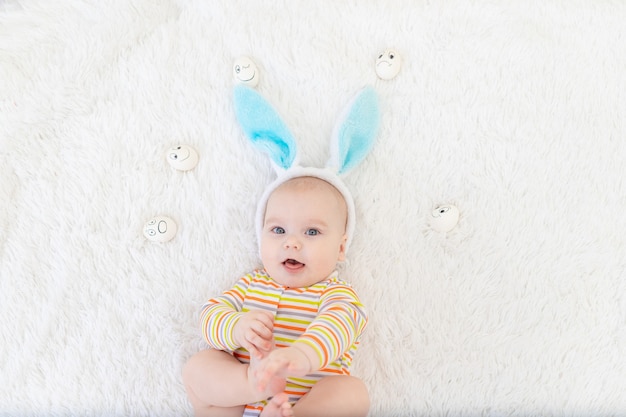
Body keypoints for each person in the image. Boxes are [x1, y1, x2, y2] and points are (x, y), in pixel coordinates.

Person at [182, 175, 369, 417]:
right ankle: (252, 383)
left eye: (312, 231)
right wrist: (236, 327)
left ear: (341, 248)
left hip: (303, 400)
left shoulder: (336, 294)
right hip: (240, 401)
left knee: (351, 393)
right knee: (199, 365)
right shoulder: (251, 284)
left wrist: (303, 354)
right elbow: (209, 316)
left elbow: (339, 325)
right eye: (278, 230)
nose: (291, 242)